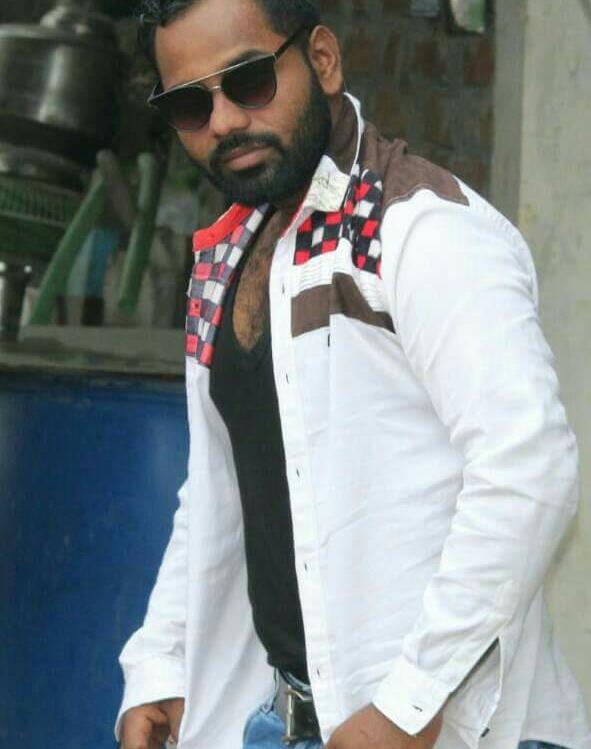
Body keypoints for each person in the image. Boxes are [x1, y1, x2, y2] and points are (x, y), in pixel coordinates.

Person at [115, 1, 590, 748]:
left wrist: (407, 705)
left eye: (248, 80)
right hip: (284, 718)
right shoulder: (232, 254)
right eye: (189, 105)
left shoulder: (421, 229)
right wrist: (164, 664)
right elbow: (219, 490)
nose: (224, 121)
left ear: (323, 60)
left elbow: (529, 469)